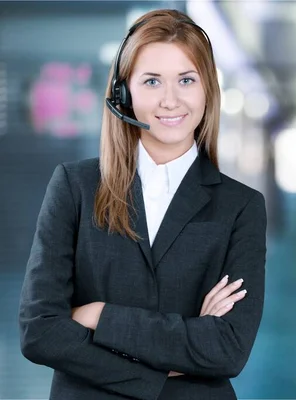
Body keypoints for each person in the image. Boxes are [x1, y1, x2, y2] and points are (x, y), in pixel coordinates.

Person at [18, 9, 267, 400]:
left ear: (207, 91)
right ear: (123, 94)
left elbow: (227, 349)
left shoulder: (241, 206)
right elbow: (40, 331)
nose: (171, 100)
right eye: (152, 81)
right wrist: (165, 367)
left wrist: (100, 315)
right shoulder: (75, 186)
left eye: (186, 80)